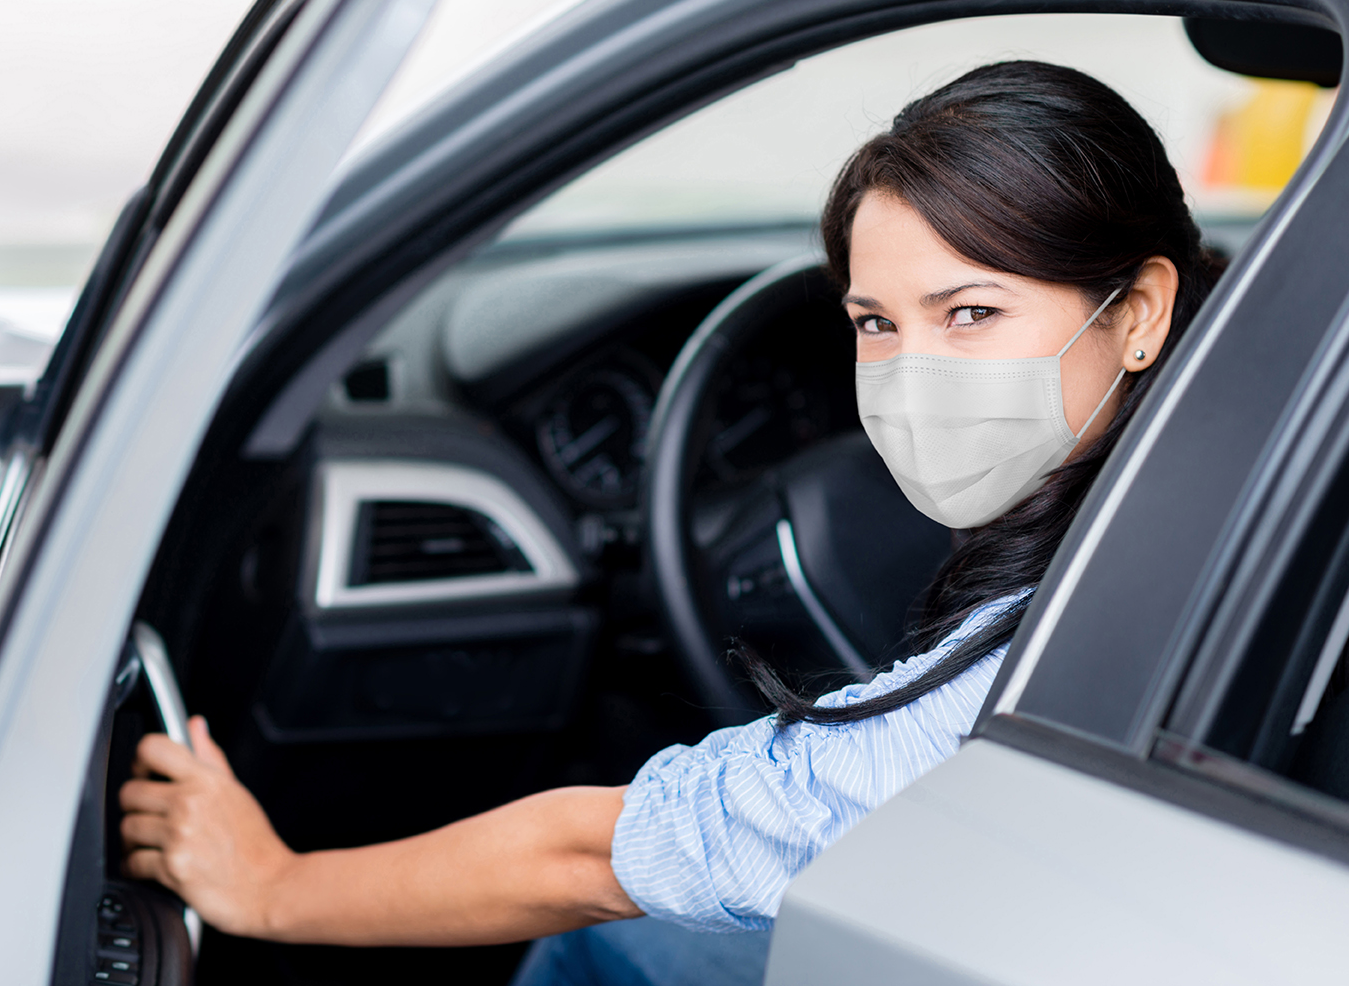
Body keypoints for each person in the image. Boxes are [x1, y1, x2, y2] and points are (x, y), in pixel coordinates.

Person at [115, 61, 1224, 984]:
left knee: (608, 936)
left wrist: (268, 887)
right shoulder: (1239, 472)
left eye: (970, 313)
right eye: (874, 322)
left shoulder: (1011, 675)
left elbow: (582, 858)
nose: (911, 374)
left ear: (1135, 313)